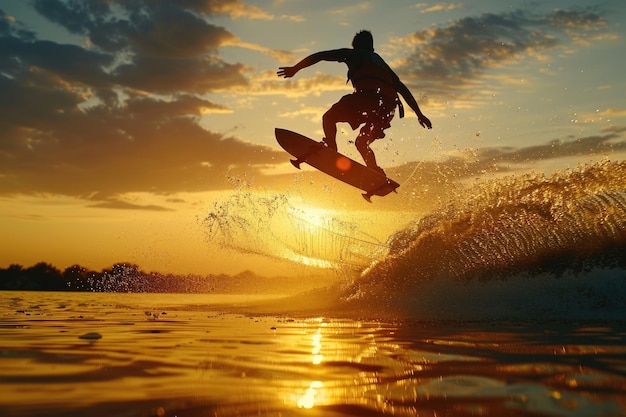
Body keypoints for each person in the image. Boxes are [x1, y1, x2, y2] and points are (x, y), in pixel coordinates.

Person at [277, 30, 432, 174]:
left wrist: (295, 68)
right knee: (362, 142)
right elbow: (403, 89)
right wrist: (419, 114)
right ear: (372, 47)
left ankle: (331, 149)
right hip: (387, 109)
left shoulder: (353, 54)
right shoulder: (383, 65)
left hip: (367, 100)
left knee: (329, 118)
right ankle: (374, 170)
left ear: (356, 46)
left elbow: (321, 55)